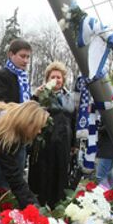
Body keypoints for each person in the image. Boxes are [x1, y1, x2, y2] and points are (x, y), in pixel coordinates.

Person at [0, 38, 33, 188]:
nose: (26, 61)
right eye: (22, 56)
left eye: (28, 57)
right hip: (4, 136)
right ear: (10, 55)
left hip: (21, 136)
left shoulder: (24, 79)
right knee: (2, 181)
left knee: (17, 179)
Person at [29, 61, 76, 208]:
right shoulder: (42, 95)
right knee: (44, 172)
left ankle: (58, 204)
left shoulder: (69, 97)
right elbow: (30, 112)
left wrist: (74, 144)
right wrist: (36, 97)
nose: (56, 80)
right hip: (45, 141)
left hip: (64, 141)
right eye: (53, 77)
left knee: (61, 171)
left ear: (63, 80)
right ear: (47, 79)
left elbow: (73, 120)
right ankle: (41, 202)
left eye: (59, 77)